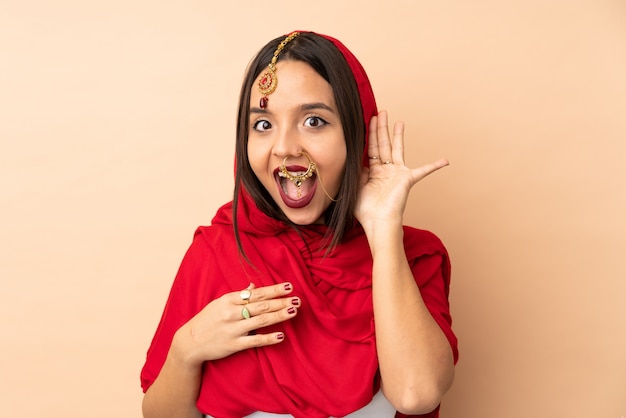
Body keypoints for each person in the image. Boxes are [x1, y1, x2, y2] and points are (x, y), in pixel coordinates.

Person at [140, 30, 458, 418]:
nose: (284, 146)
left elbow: (416, 396)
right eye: (262, 125)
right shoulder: (216, 250)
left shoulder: (414, 257)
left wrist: (382, 227)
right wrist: (186, 348)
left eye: (313, 120)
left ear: (355, 133)